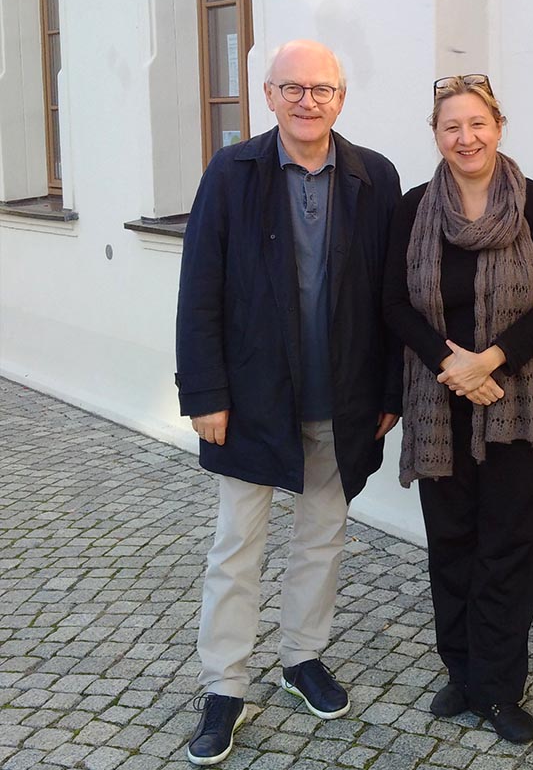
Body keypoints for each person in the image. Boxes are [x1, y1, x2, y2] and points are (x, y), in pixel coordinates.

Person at [175, 39, 401, 766]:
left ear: (341, 98)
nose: (308, 101)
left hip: (343, 395)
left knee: (323, 535)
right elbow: (200, 286)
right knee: (237, 546)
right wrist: (204, 392)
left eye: (322, 89)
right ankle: (224, 686)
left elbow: (391, 295)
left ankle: (303, 656)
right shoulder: (232, 172)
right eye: (293, 88)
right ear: (268, 95)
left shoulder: (375, 177)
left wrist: (390, 389)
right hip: (252, 396)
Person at [383, 74, 533, 743]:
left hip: (514, 398)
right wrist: (451, 364)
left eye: (477, 124)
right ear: (436, 135)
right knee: (452, 541)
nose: (466, 138)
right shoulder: (413, 208)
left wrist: (489, 360)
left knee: (509, 544)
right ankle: (461, 671)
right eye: (451, 127)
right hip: (439, 400)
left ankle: (499, 685)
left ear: (498, 127)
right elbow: (393, 303)